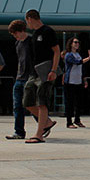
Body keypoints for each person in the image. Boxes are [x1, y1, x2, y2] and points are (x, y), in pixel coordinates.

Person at [24, 10, 60, 142]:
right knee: (27, 101)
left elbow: (56, 51)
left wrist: (54, 70)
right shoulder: (34, 34)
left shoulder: (47, 31)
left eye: (27, 21)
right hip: (34, 72)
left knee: (41, 102)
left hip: (46, 72)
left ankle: (39, 135)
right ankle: (47, 122)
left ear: (29, 18)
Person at [6, 19, 35, 140]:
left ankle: (45, 124)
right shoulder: (18, 44)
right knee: (17, 105)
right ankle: (19, 131)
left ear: (22, 31)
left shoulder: (32, 41)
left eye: (15, 33)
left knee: (31, 104)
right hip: (19, 77)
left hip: (30, 77)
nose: (15, 36)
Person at [63, 38, 90, 128]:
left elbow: (82, 68)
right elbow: (77, 63)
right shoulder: (68, 55)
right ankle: (69, 122)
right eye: (75, 42)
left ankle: (77, 120)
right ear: (70, 44)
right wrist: (89, 58)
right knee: (69, 102)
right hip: (70, 81)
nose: (77, 44)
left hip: (78, 81)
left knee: (79, 102)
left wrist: (84, 79)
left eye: (78, 42)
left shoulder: (78, 54)